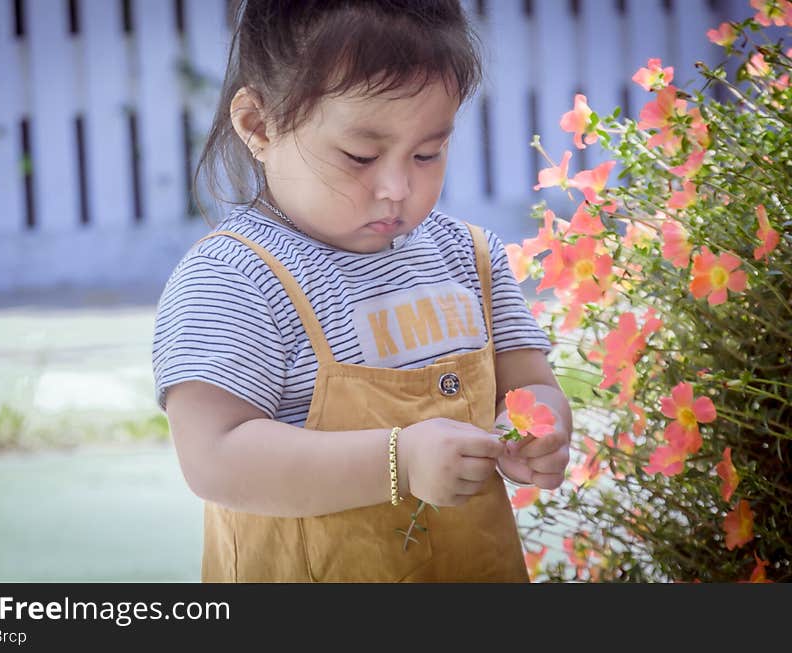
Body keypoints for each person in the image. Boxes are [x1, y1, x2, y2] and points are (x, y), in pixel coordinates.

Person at [152, 0, 572, 582]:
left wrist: (538, 430)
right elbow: (214, 458)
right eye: (360, 156)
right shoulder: (233, 278)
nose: (398, 187)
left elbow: (529, 386)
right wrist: (398, 462)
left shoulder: (468, 258)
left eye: (428, 153)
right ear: (259, 125)